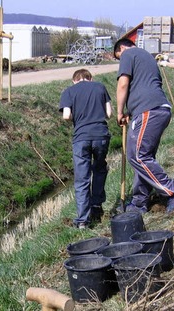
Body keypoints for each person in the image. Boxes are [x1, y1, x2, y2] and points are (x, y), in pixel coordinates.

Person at [113, 38, 174, 214]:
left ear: (121, 48)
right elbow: (143, 85)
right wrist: (131, 109)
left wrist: (119, 112)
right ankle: (139, 202)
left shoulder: (128, 53)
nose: (120, 60)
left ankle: (173, 190)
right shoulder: (147, 58)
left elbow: (123, 84)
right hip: (158, 110)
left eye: (118, 56)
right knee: (144, 158)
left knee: (137, 156)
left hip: (149, 111)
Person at [59, 69, 112, 228]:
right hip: (101, 135)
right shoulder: (100, 87)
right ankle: (96, 205)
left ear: (74, 80)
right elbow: (109, 113)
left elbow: (66, 116)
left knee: (82, 178)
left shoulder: (68, 91)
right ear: (90, 78)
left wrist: (79, 120)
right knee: (100, 168)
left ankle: (83, 220)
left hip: (81, 137)